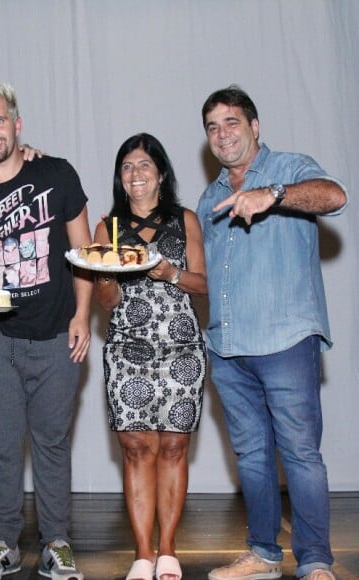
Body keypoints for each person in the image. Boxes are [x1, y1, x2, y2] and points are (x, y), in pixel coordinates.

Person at [0, 80, 93, 580]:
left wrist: (80, 317)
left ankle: (57, 542)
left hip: (54, 337)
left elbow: (84, 255)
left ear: (17, 124)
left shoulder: (57, 173)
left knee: (52, 443)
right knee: (2, 445)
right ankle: (4, 542)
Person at [196, 85, 348, 580]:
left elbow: (335, 196)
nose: (223, 134)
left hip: (285, 339)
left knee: (301, 454)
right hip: (228, 347)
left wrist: (274, 195)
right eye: (213, 127)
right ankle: (262, 554)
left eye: (232, 122)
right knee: (252, 457)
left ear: (255, 127)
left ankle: (316, 560)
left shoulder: (290, 167)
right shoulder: (209, 197)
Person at [93, 133, 207, 580]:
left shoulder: (186, 220)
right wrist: (108, 277)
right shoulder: (109, 228)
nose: (135, 174)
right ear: (119, 178)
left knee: (175, 448)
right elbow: (105, 301)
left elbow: (205, 284)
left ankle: (168, 550)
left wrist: (169, 272)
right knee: (137, 449)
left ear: (160, 173)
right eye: (127, 167)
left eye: (143, 165)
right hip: (128, 350)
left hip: (181, 349)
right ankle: (142, 554)